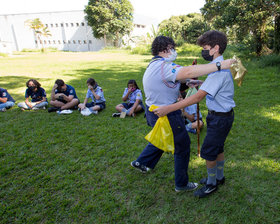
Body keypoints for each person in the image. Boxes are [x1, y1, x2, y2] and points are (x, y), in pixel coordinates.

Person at [130, 35, 235, 192]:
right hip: (164, 111)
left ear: (215, 48)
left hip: (159, 110)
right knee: (182, 145)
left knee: (166, 138)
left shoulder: (154, 65)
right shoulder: (164, 66)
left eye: (205, 48)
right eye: (173, 48)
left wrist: (194, 84)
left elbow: (186, 89)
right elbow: (188, 72)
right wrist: (219, 65)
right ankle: (182, 183)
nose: (174, 52)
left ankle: (143, 162)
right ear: (166, 49)